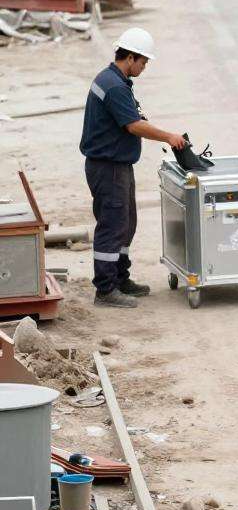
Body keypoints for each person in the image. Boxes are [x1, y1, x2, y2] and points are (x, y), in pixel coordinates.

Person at [80, 29, 186, 309]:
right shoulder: (114, 86)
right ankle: (105, 290)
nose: (144, 67)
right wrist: (168, 136)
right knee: (112, 225)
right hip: (109, 167)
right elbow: (133, 125)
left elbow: (130, 117)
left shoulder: (114, 80)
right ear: (130, 58)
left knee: (126, 224)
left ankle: (119, 278)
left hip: (117, 165)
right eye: (143, 62)